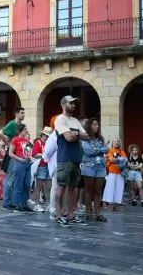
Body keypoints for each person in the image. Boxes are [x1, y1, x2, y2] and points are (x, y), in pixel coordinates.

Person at [53, 95, 89, 227]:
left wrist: (74, 134)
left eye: (75, 103)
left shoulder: (74, 120)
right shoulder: (60, 119)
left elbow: (87, 136)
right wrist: (75, 135)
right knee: (61, 187)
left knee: (72, 189)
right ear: (63, 105)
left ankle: (70, 216)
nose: (74, 105)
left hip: (75, 158)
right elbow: (68, 138)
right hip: (64, 158)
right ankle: (58, 216)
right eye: (71, 103)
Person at [81, 118, 108, 222]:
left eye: (97, 125)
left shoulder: (100, 138)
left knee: (97, 191)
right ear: (90, 126)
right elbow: (88, 152)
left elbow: (107, 149)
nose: (97, 126)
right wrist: (100, 150)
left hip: (100, 167)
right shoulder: (85, 138)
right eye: (95, 124)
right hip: (89, 166)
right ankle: (88, 213)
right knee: (89, 190)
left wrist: (97, 150)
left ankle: (98, 214)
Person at [0, 107, 25, 209]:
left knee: (14, 179)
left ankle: (12, 202)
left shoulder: (19, 126)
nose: (24, 115)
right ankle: (6, 203)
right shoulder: (12, 124)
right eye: (22, 113)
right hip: (12, 154)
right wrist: (8, 143)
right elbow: (0, 133)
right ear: (16, 114)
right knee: (10, 179)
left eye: (24, 113)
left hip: (18, 154)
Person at [8, 124, 34, 212]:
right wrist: (20, 159)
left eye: (26, 129)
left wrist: (30, 159)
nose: (26, 130)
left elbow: (27, 152)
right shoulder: (15, 139)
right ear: (19, 131)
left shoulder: (26, 141)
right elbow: (10, 153)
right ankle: (16, 204)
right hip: (19, 163)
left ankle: (24, 204)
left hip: (27, 163)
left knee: (26, 184)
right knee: (18, 184)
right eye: (24, 129)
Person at [30, 127, 52, 212]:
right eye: (46, 135)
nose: (47, 137)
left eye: (48, 136)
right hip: (41, 166)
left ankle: (48, 204)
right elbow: (34, 154)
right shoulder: (38, 142)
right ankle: (37, 204)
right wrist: (44, 154)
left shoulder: (48, 143)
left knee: (48, 186)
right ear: (42, 135)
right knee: (39, 186)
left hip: (48, 166)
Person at [103, 138, 127, 212]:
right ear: (112, 143)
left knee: (119, 188)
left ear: (119, 143)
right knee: (109, 188)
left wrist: (117, 159)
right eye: (115, 141)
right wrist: (121, 159)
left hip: (120, 172)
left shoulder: (122, 151)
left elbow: (126, 160)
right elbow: (111, 159)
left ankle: (117, 205)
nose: (116, 143)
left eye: (117, 141)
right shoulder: (109, 150)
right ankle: (106, 204)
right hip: (111, 171)